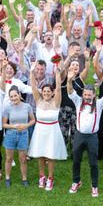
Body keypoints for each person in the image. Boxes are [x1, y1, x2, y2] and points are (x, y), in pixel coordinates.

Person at [67, 72, 103, 197]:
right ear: (83, 94)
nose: (87, 97)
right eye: (85, 94)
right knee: (76, 160)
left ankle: (94, 186)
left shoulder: (99, 104)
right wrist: (69, 80)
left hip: (92, 137)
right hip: (79, 136)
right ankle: (76, 181)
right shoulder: (78, 101)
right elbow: (70, 92)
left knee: (93, 163)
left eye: (89, 94)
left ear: (94, 94)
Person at [28, 61, 67, 191]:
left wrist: (57, 72)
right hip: (40, 130)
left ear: (52, 92)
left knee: (50, 155)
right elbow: (33, 86)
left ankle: (50, 178)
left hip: (52, 131)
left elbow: (59, 87)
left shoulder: (56, 102)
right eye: (44, 91)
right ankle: (42, 176)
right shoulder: (38, 100)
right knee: (40, 154)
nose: (45, 93)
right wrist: (31, 71)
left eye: (48, 91)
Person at [2, 86, 34, 187]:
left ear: (19, 95)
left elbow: (33, 120)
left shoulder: (27, 106)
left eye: (15, 96)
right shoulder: (7, 107)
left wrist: (26, 125)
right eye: (11, 97)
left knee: (23, 159)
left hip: (23, 135)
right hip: (10, 134)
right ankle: (7, 178)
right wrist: (13, 126)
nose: (13, 98)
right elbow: (3, 124)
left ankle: (24, 179)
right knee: (9, 158)